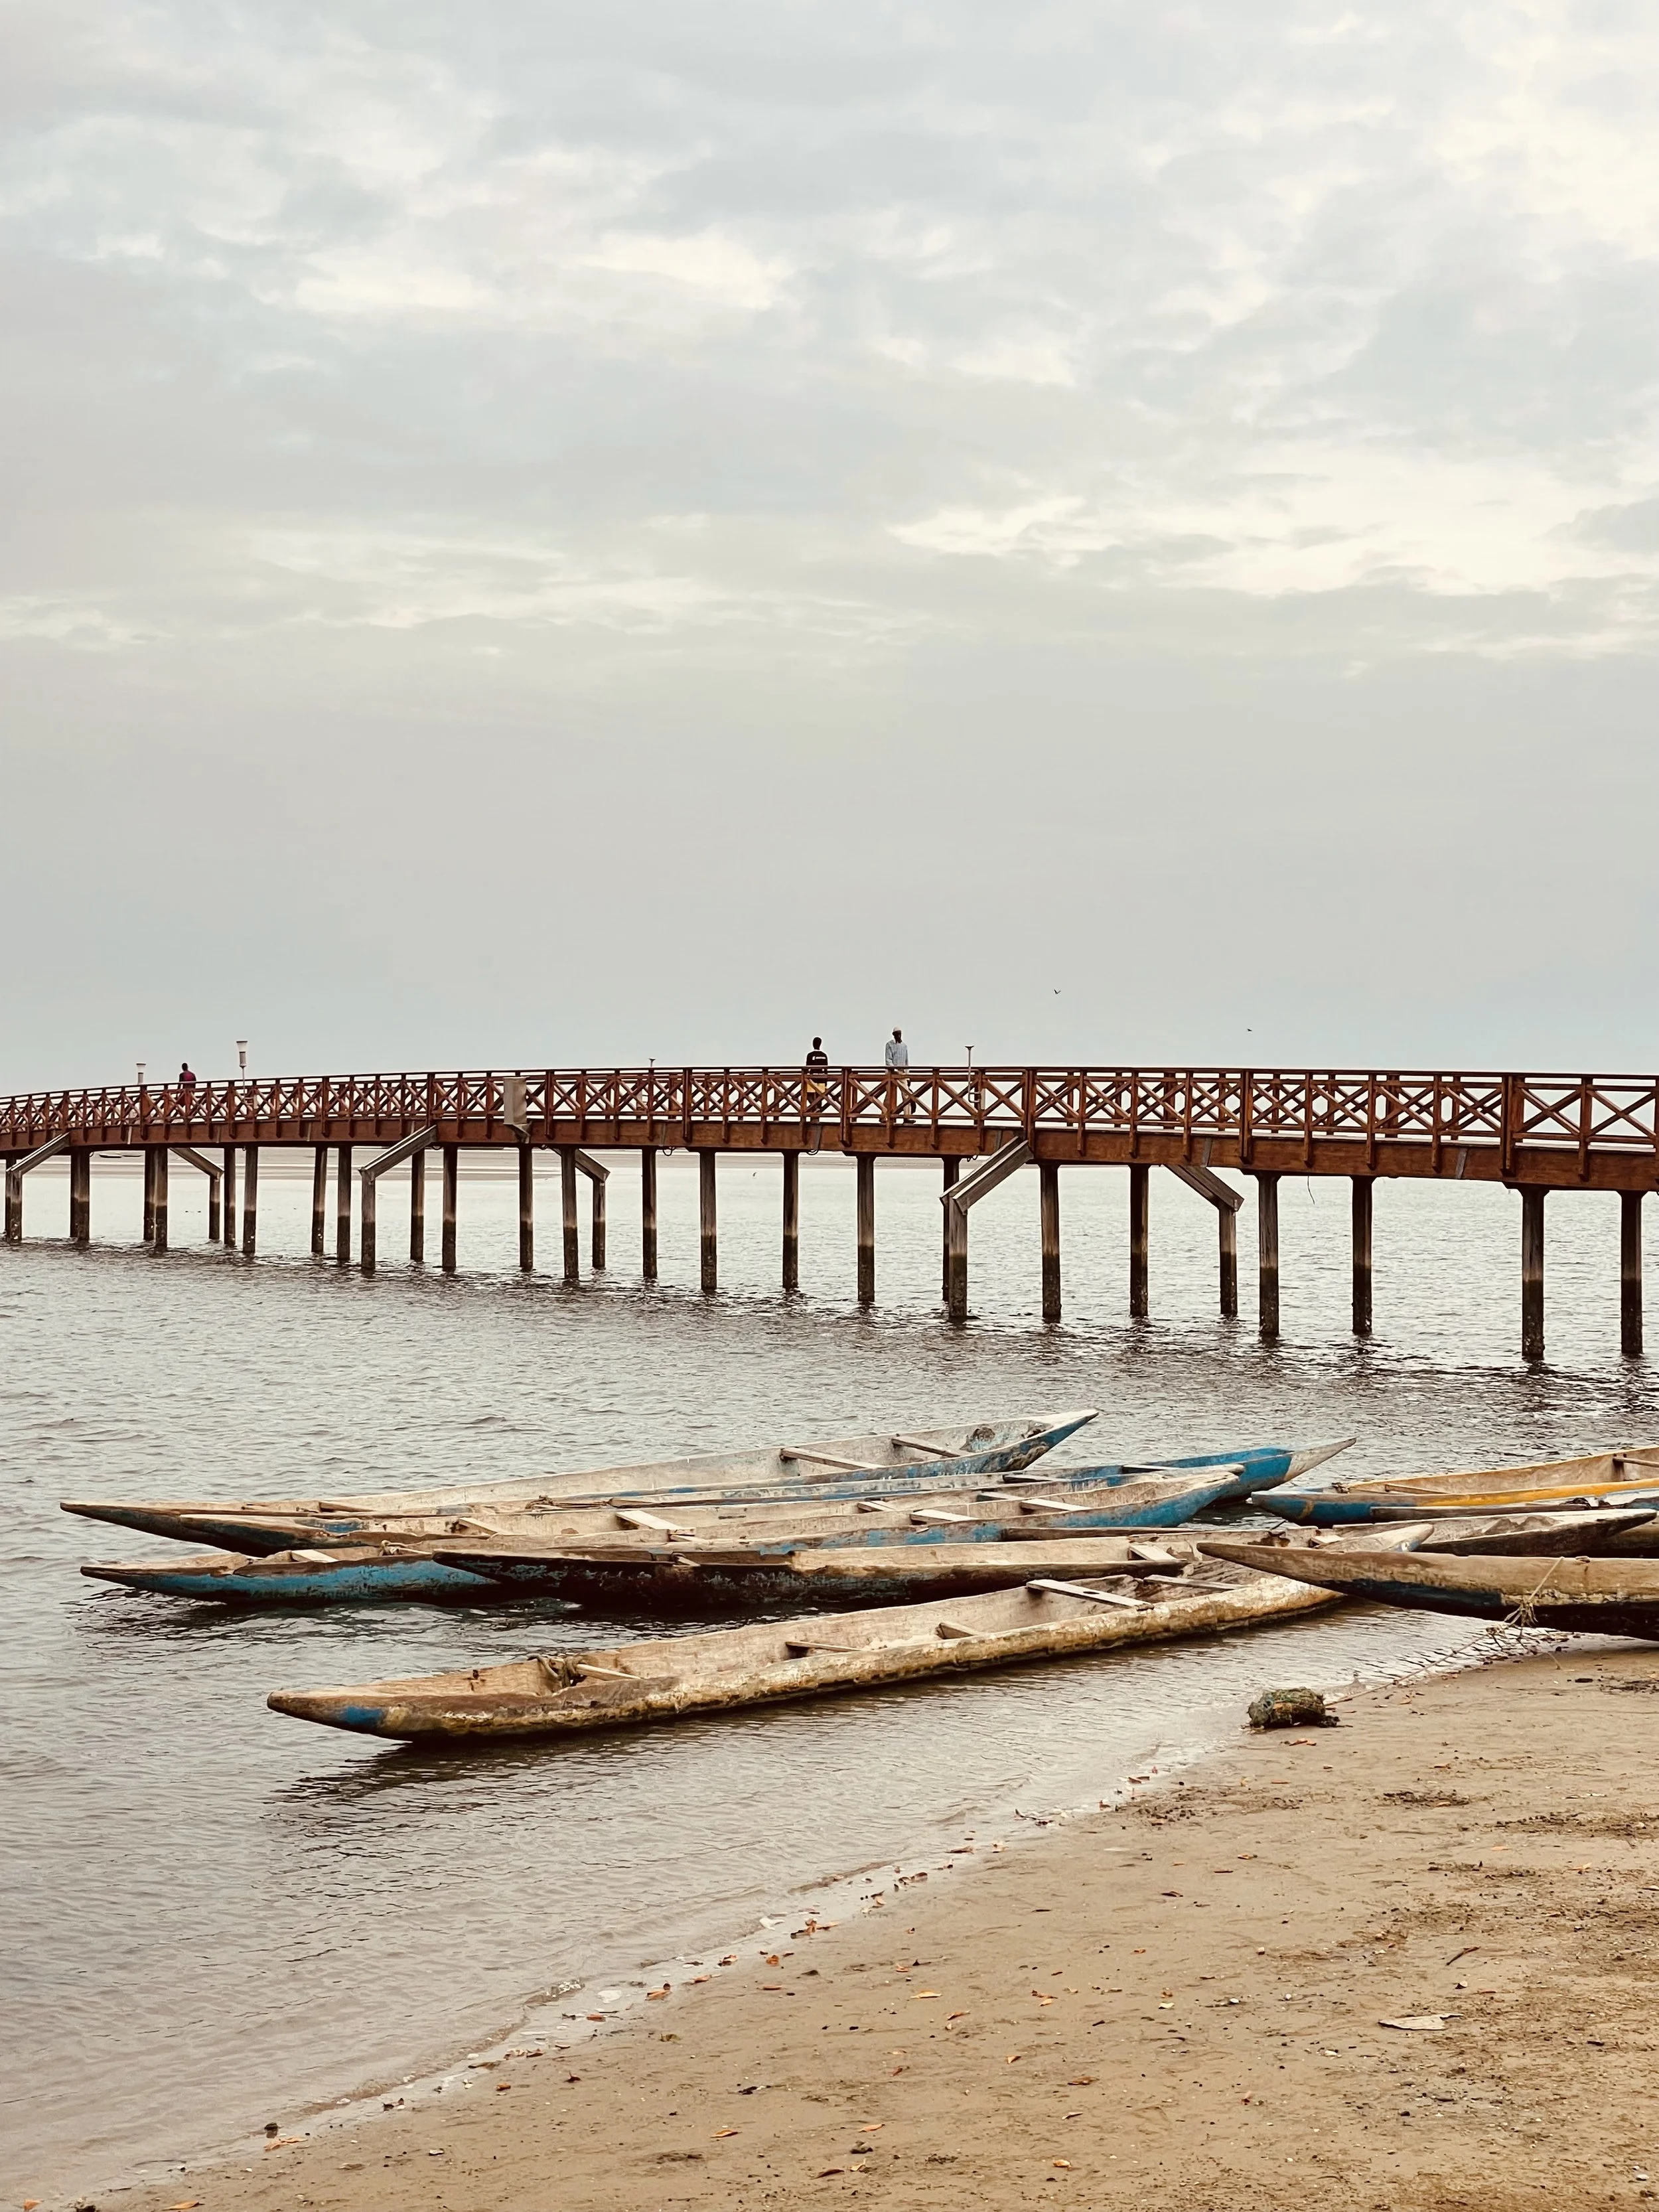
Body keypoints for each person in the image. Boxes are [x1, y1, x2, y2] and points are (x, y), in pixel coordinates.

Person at [804, 1036, 830, 1153]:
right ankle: (817, 1115)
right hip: (821, 1081)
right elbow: (826, 1069)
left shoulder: (810, 1055)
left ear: (814, 1044)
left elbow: (808, 1068)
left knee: (811, 1098)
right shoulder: (824, 1055)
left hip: (812, 1080)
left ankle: (813, 1115)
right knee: (819, 1099)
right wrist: (826, 1081)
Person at [884, 1027, 912, 1120]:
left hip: (902, 1073)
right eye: (896, 1034)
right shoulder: (889, 1045)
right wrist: (894, 1069)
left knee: (906, 1094)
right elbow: (888, 1060)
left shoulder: (904, 1046)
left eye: (899, 1033)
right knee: (890, 1095)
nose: (898, 1035)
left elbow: (907, 1061)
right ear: (894, 1035)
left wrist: (908, 1077)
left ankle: (907, 1117)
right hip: (892, 1073)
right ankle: (884, 1116)